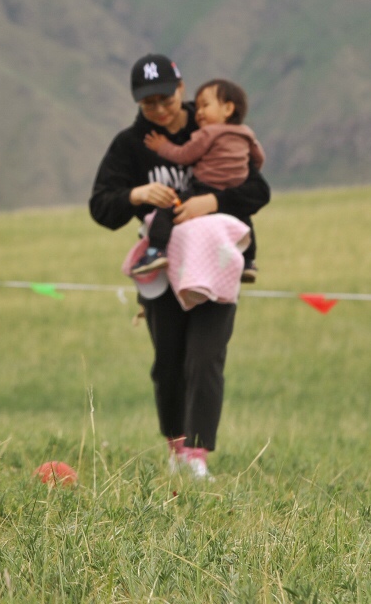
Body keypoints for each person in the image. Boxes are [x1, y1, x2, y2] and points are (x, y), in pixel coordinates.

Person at [89, 54, 272, 482]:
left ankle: (197, 454)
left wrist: (214, 202)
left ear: (182, 88)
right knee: (168, 361)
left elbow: (258, 189)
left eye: (165, 97)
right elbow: (101, 205)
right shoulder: (130, 146)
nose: (159, 108)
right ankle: (175, 447)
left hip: (217, 266)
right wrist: (136, 195)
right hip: (163, 269)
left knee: (206, 358)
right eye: (147, 102)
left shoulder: (212, 125)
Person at [128, 78, 266, 281]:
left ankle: (155, 251)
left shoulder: (207, 133)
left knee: (167, 210)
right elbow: (258, 157)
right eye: (198, 106)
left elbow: (185, 155)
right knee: (244, 222)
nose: (198, 111)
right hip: (235, 186)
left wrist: (162, 147)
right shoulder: (246, 133)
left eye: (205, 105)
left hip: (205, 187)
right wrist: (241, 171)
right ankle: (248, 262)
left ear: (228, 108)